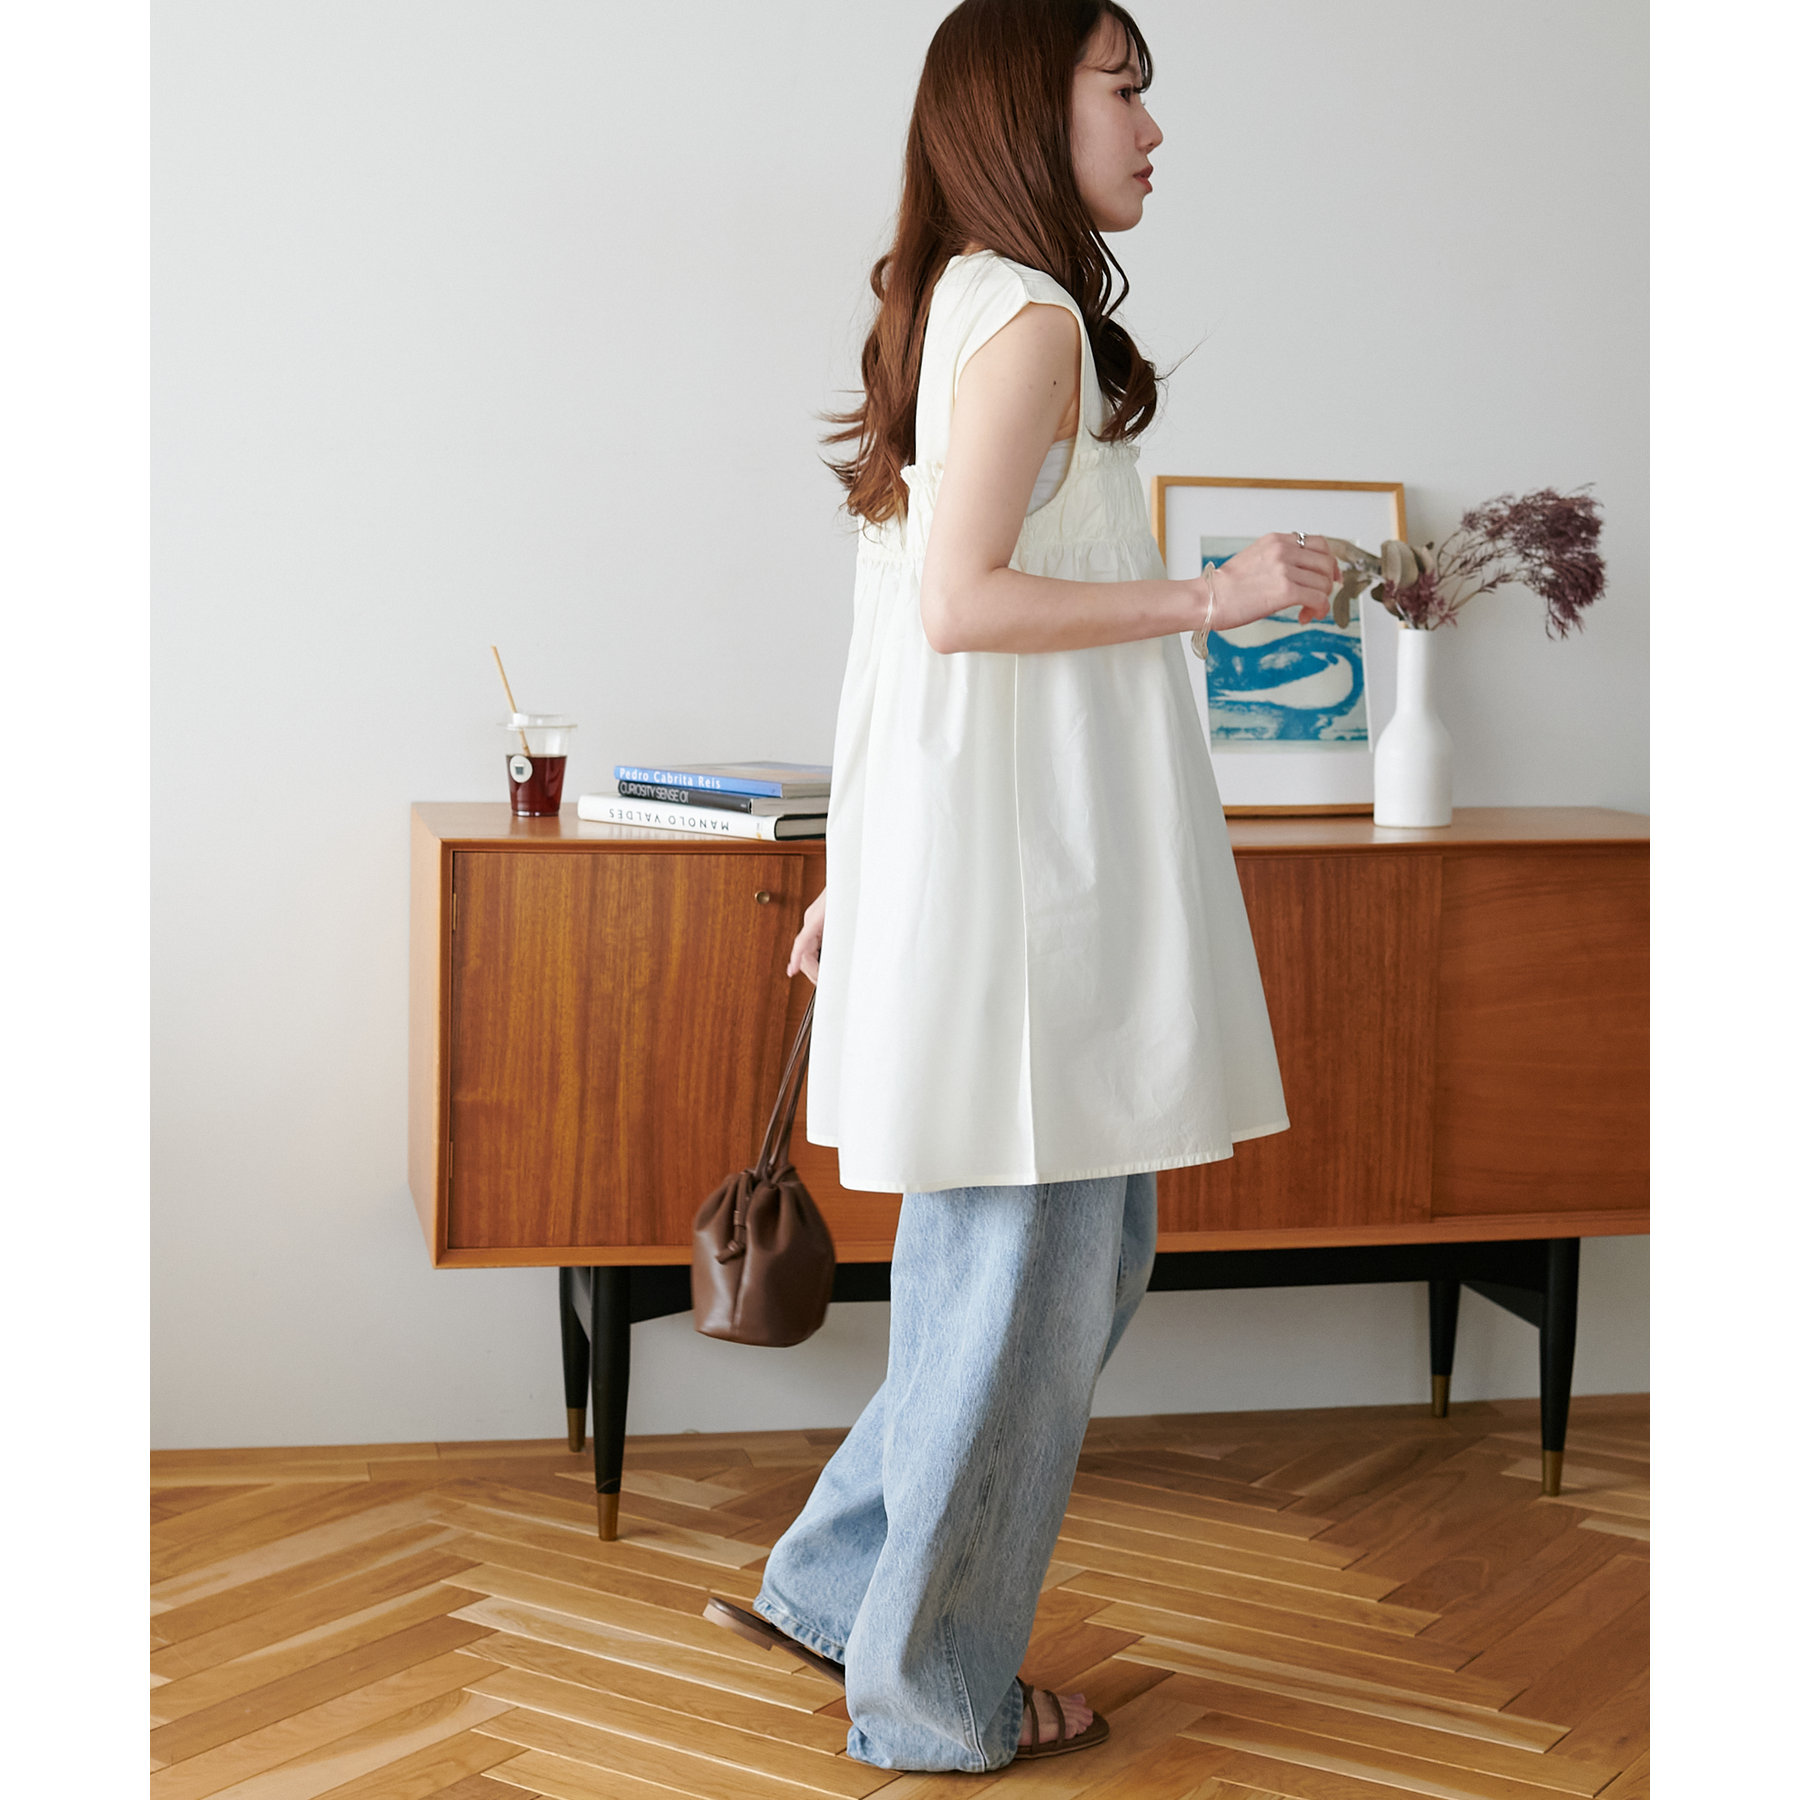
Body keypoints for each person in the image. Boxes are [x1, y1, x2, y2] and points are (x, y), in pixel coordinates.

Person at [704, 0, 1340, 1772]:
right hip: (1034, 885)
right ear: (1021, 111)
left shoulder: (964, 304)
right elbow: (959, 605)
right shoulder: (1032, 319)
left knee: (1052, 1263)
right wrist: (1216, 597)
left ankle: (836, 1583)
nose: (1154, 127)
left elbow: (901, 646)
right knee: (1027, 1287)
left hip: (1000, 867)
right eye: (1123, 88)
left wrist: (866, 872)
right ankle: (930, 1696)